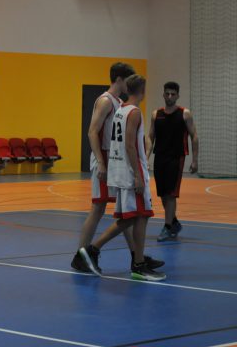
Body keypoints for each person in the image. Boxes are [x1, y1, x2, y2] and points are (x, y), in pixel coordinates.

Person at [71, 63, 163, 274]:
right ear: (120, 80)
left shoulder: (121, 104)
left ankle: (136, 255)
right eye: (127, 80)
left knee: (126, 211)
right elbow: (92, 132)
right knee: (99, 207)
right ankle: (81, 255)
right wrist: (101, 162)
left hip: (115, 160)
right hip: (105, 158)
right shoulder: (105, 101)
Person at [147, 82, 199, 241]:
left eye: (173, 94)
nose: (169, 96)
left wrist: (195, 160)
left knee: (170, 194)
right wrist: (146, 157)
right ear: (163, 94)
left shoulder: (185, 114)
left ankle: (168, 227)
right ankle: (174, 222)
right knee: (163, 194)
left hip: (176, 158)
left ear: (177, 96)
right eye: (167, 93)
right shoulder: (156, 114)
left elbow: (194, 136)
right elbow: (150, 137)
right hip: (159, 157)